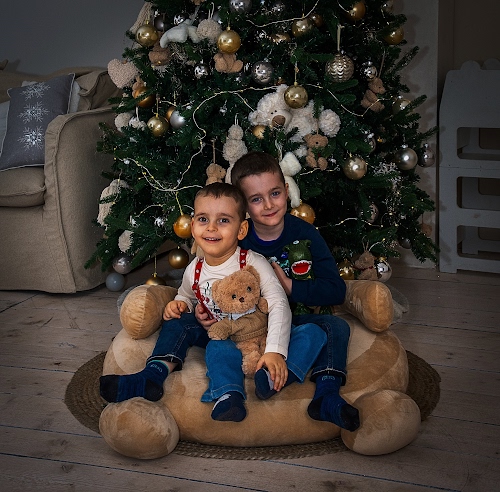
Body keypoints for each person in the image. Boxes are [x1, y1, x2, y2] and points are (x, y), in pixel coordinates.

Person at [100, 182, 326, 423]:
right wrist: (180, 304)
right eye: (203, 219)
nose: (211, 227)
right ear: (193, 226)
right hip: (220, 336)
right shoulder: (194, 269)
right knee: (182, 325)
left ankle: (269, 378)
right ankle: (155, 376)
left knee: (313, 333)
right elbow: (185, 295)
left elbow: (278, 303)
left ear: (241, 230)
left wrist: (274, 352)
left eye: (224, 220)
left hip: (256, 334)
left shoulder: (252, 262)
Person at [197, 152, 360, 431]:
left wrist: (290, 286)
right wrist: (204, 309)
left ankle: (325, 393)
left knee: (335, 327)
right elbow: (212, 283)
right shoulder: (236, 239)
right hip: (247, 326)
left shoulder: (306, 234)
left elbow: (336, 290)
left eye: (275, 193)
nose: (269, 205)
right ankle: (237, 387)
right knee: (194, 327)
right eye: (256, 199)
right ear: (243, 207)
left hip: (295, 320)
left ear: (286, 190)